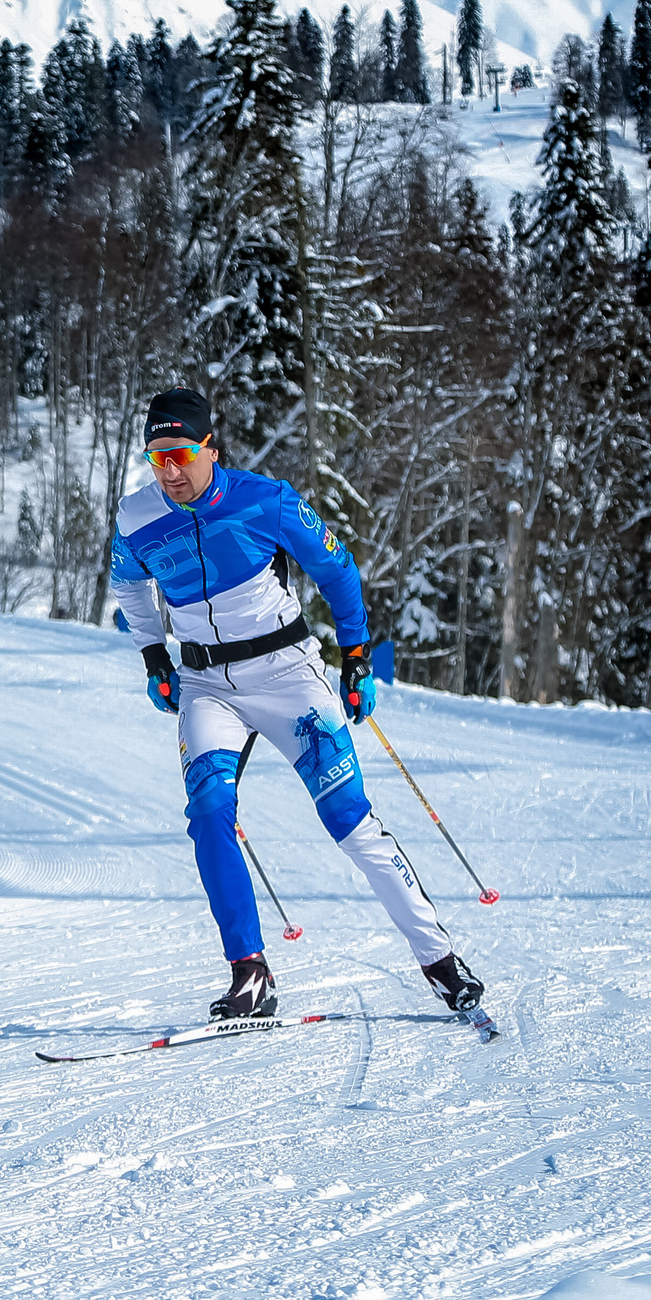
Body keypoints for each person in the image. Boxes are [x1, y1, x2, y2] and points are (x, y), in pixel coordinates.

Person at [108, 387, 487, 1022]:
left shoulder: (266, 500)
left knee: (349, 820)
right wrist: (154, 656)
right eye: (157, 458)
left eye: (179, 454)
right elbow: (129, 585)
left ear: (210, 450)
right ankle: (249, 974)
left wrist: (357, 656)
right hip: (207, 685)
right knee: (208, 813)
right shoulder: (136, 516)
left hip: (287, 674)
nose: (169, 470)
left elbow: (339, 571)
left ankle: (441, 961)